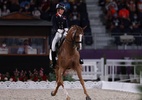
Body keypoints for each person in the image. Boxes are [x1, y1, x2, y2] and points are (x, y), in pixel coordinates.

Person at [50, 3, 69, 68]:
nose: (63, 11)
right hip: (57, 32)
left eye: (63, 9)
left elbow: (66, 25)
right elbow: (54, 25)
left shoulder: (64, 17)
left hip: (63, 32)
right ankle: (54, 62)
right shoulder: (54, 17)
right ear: (58, 10)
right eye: (62, 9)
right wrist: (58, 30)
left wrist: (66, 29)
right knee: (53, 45)